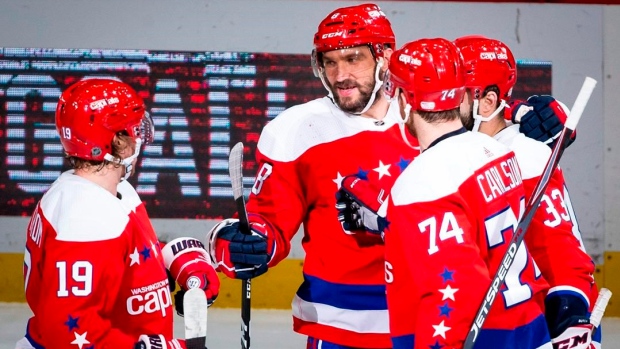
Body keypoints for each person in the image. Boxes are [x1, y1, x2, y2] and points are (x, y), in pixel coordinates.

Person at [205, 3, 575, 349]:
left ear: (384, 58)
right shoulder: (294, 130)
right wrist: (242, 243)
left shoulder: (431, 111)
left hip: (435, 319)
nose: (340, 75)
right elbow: (266, 220)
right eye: (330, 62)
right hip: (339, 328)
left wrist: (545, 119)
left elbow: (500, 122)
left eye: (353, 59)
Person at [16, 78, 220, 349]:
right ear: (114, 140)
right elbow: (67, 333)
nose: (138, 137)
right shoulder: (84, 218)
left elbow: (116, 261)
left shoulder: (108, 193)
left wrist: (172, 258)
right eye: (133, 128)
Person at [379, 37, 551, 348]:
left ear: (405, 101)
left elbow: (456, 287)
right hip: (530, 330)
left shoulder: (420, 183)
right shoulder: (495, 150)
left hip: (488, 340)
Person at [454, 35, 600, 349]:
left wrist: (569, 314)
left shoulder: (525, 154)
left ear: (488, 101)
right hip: (492, 320)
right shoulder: (461, 147)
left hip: (546, 326)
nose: (443, 102)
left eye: (456, 93)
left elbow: (557, 247)